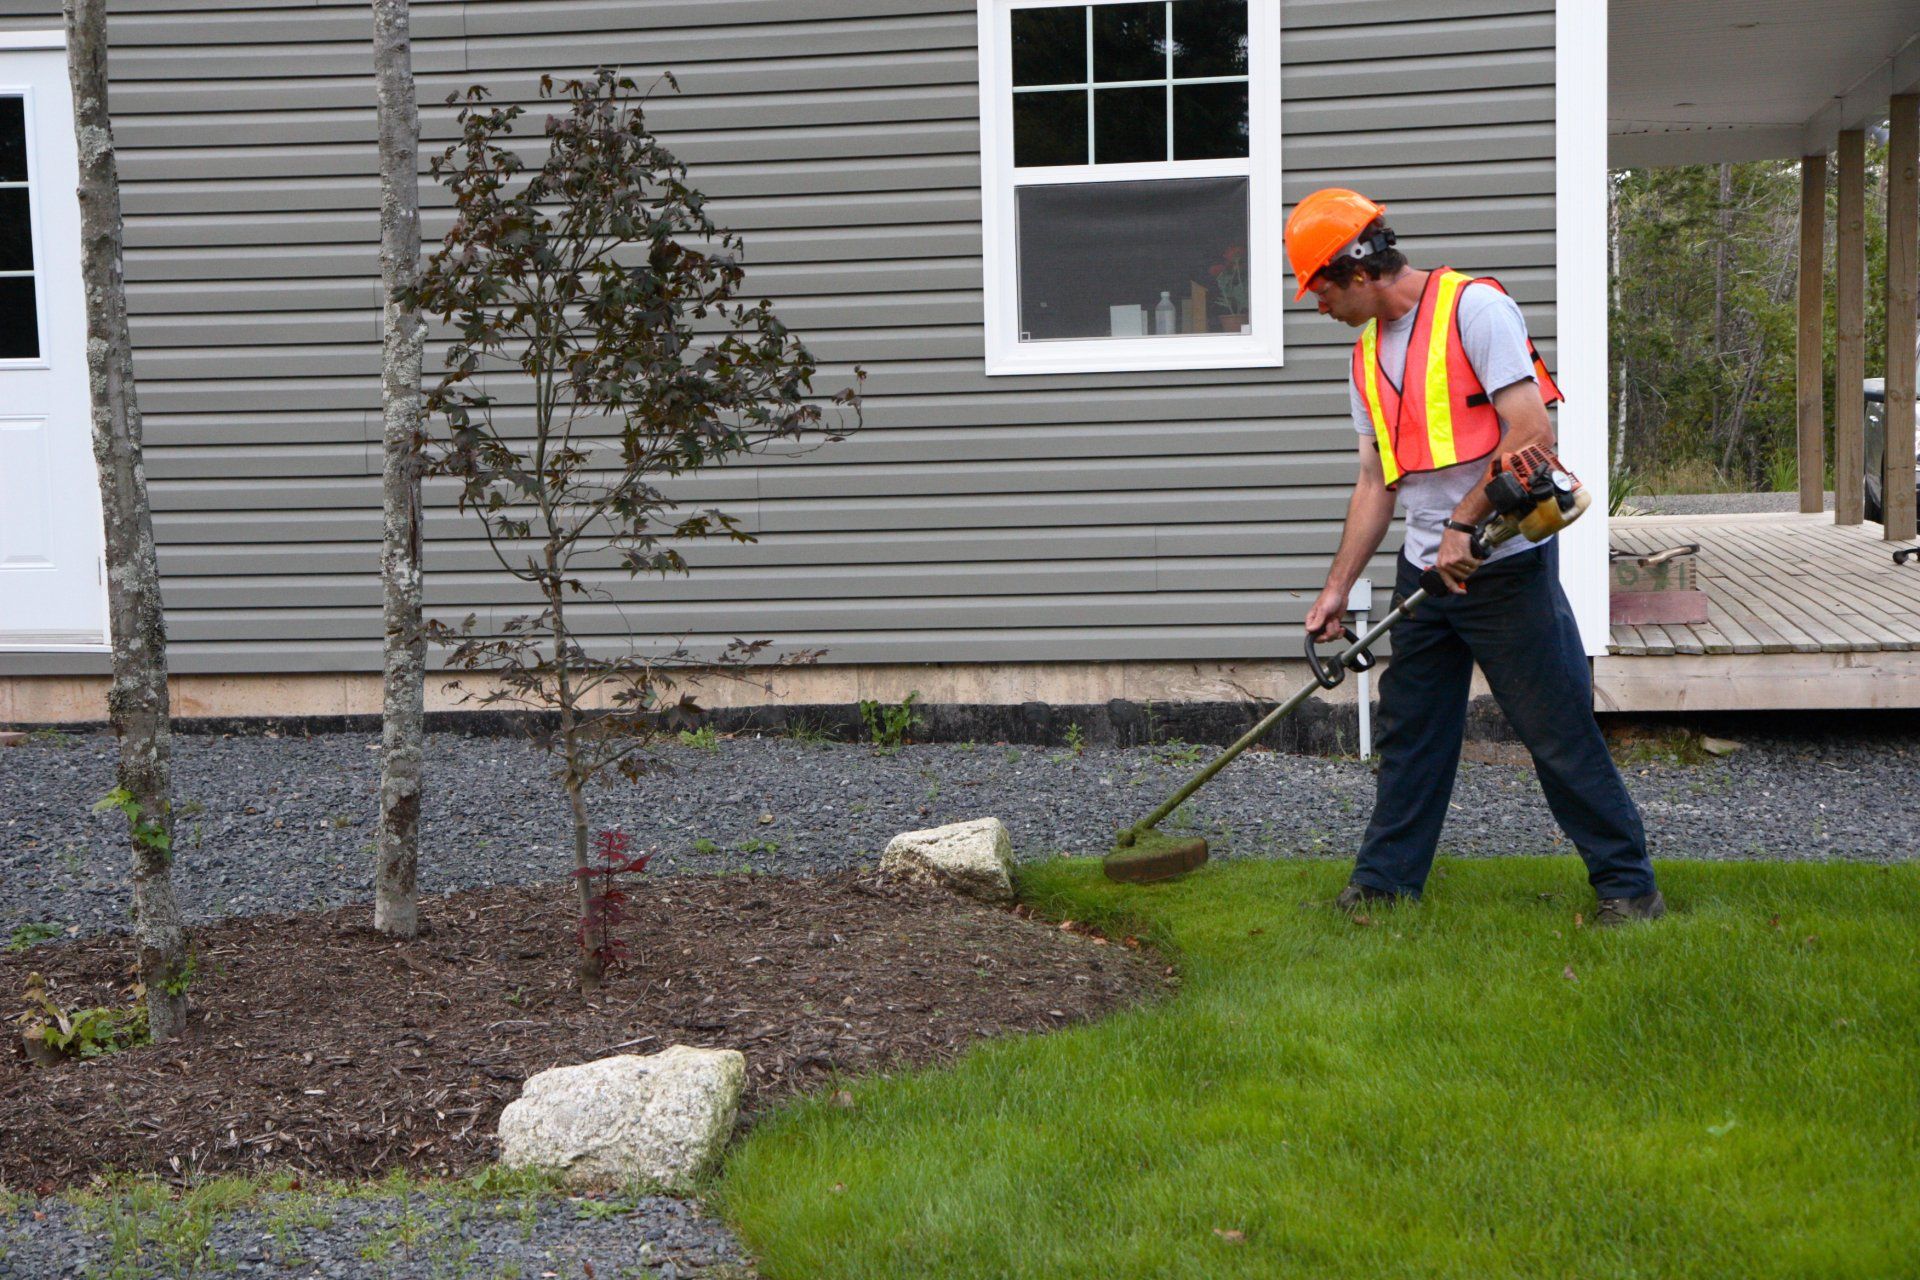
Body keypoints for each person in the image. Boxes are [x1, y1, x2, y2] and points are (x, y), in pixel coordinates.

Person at [1285, 187, 1664, 925]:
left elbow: (1532, 434)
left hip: (1502, 568)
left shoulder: (1474, 310)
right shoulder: (1364, 357)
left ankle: (1628, 887)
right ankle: (1386, 883)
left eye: (1320, 289)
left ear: (1356, 270)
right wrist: (1337, 588)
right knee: (1411, 733)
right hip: (1425, 576)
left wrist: (1464, 523)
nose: (1317, 305)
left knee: (1556, 732)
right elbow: (1375, 482)